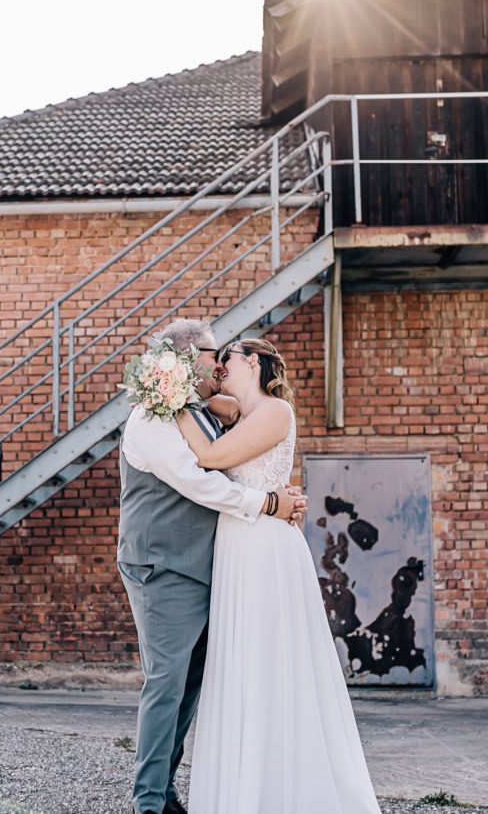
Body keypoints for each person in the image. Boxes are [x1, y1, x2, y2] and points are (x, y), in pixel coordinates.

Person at [177, 338, 382, 814]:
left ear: (252, 362)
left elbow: (209, 457)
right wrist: (185, 391)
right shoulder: (237, 411)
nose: (220, 367)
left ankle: (280, 789)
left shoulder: (275, 411)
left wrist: (171, 403)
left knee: (268, 661)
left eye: (227, 358)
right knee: (240, 661)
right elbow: (211, 402)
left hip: (264, 547)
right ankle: (248, 784)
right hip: (237, 543)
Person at [117, 318, 308, 814]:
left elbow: (242, 440)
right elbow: (198, 482)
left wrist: (275, 491)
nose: (219, 363)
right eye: (211, 355)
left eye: (226, 356)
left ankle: (165, 787)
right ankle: (148, 802)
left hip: (208, 568)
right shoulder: (152, 419)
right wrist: (268, 503)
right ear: (186, 358)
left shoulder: (202, 409)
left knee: (192, 683)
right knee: (166, 682)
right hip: (162, 566)